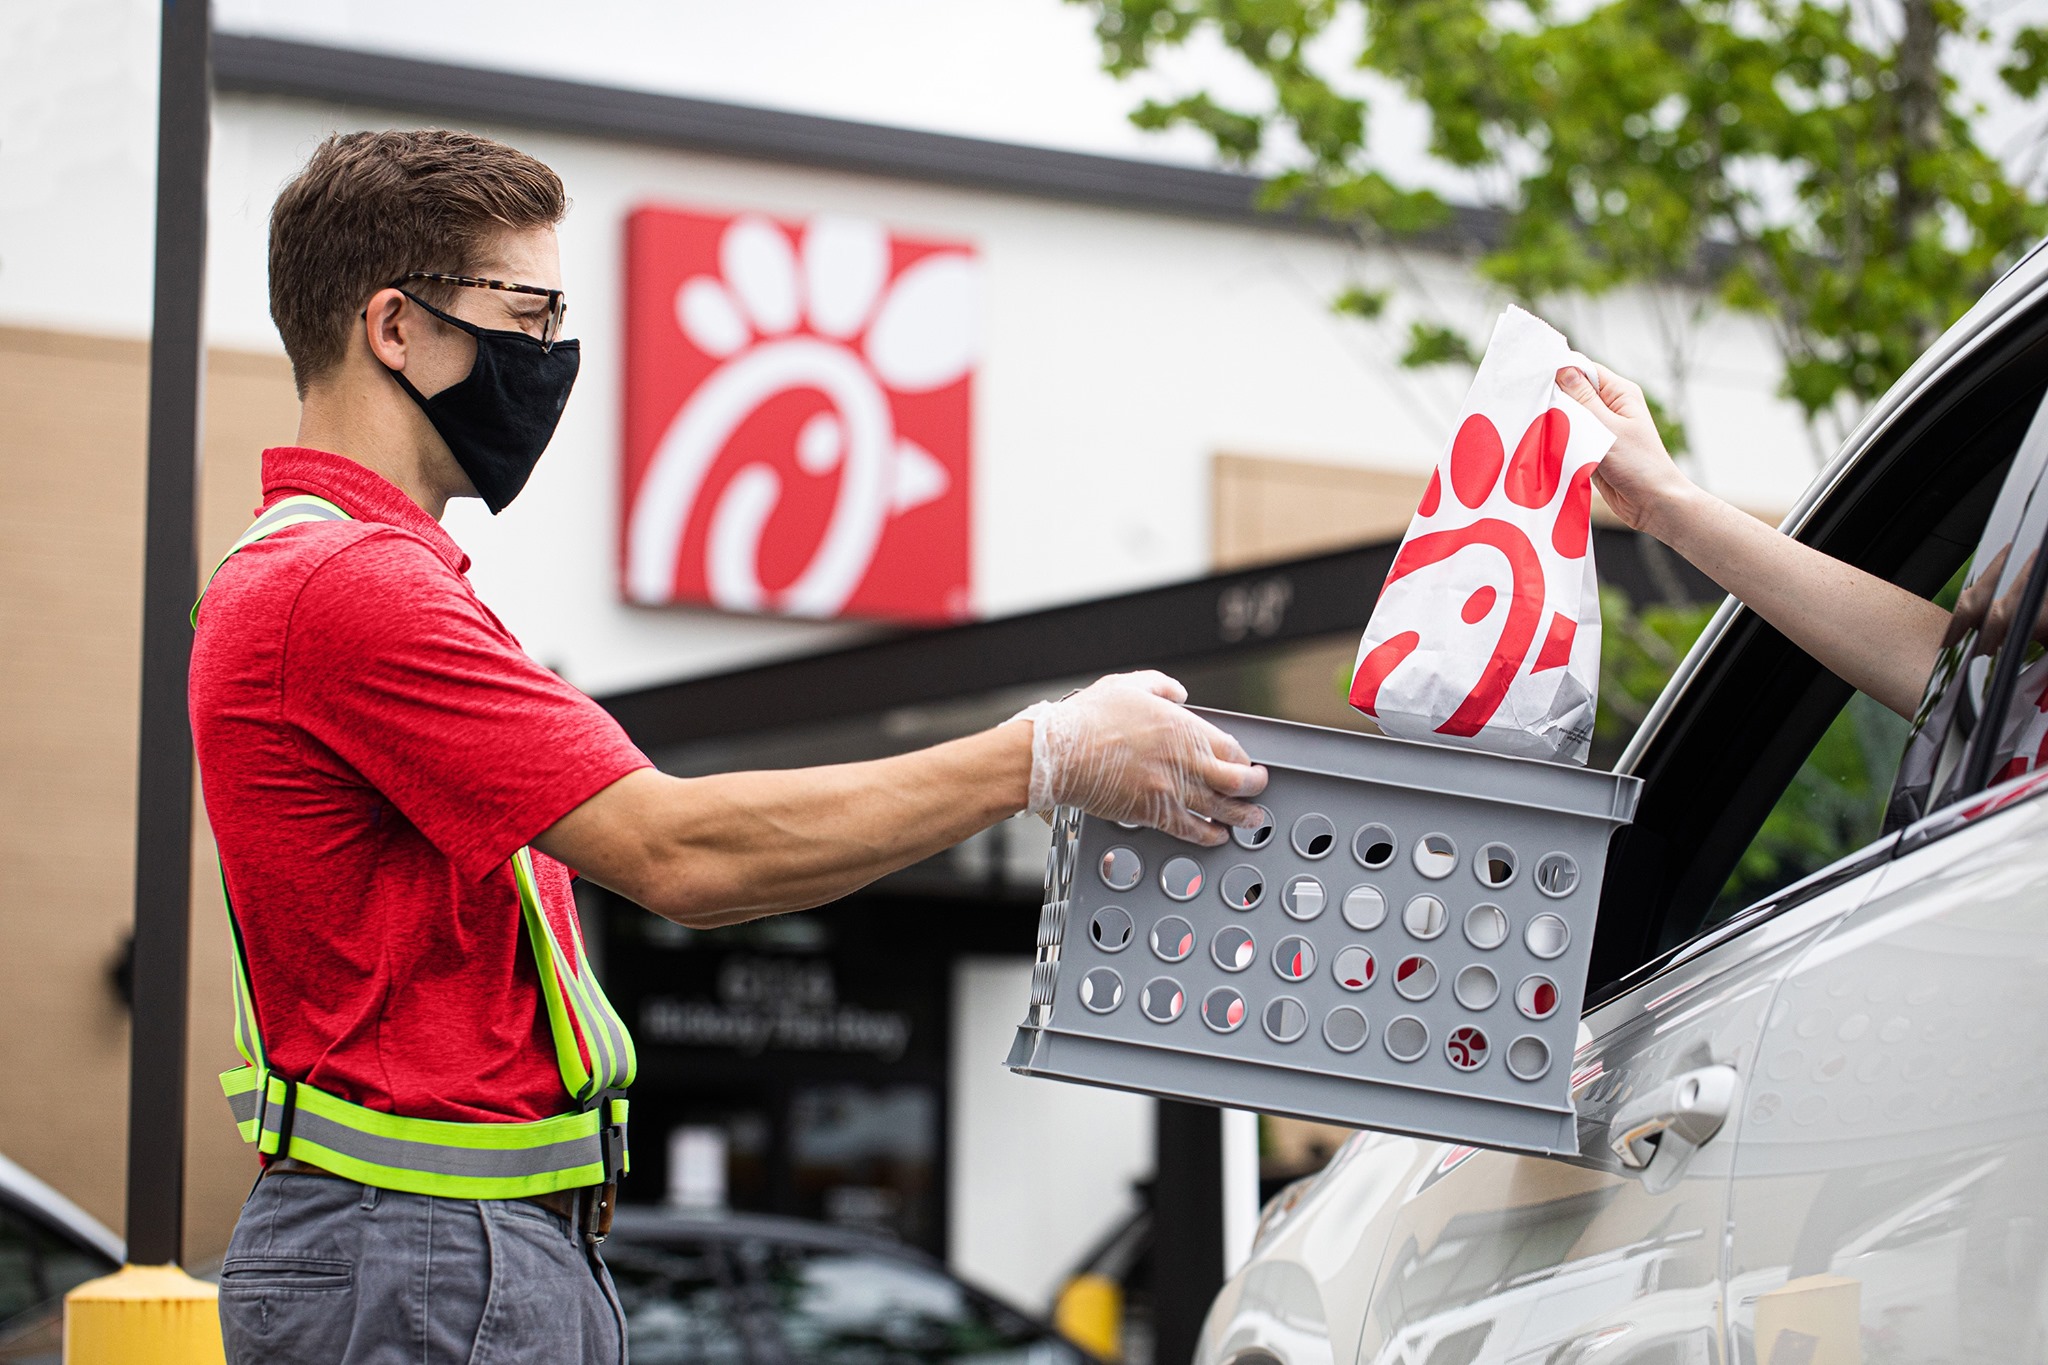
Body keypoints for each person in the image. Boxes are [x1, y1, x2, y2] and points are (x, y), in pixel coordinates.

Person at [190, 129, 1268, 1365]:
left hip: (441, 1253)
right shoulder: (349, 588)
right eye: (528, 313)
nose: (553, 358)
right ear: (394, 325)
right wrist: (1045, 755)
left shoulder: (341, 578)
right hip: (427, 1256)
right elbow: (681, 852)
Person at [1556, 363, 1953, 722]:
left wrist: (1661, 502)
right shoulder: (1991, 686)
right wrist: (1660, 502)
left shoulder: (1994, 693)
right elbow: (1948, 670)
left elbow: (1949, 671)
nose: (1983, 596)